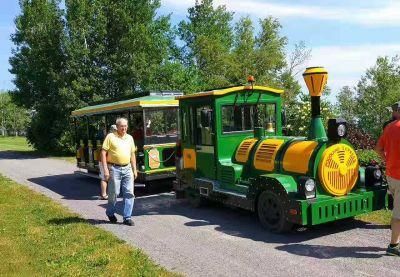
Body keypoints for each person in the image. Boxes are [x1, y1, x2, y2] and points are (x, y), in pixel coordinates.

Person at [101, 118, 138, 226]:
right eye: (122, 126)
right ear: (117, 127)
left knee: (129, 193)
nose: (124, 128)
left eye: (126, 126)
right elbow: (103, 153)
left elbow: (132, 154)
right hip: (114, 168)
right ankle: (110, 212)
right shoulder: (110, 137)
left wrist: (134, 169)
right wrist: (106, 170)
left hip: (127, 169)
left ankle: (127, 217)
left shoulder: (129, 138)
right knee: (114, 193)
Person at [375, 103, 400, 256]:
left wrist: (387, 160)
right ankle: (393, 246)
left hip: (391, 174)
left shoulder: (389, 127)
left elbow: (378, 148)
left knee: (396, 208)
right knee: (398, 214)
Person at [98, 124, 117, 200]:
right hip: (104, 160)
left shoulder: (112, 137)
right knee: (104, 177)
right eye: (115, 130)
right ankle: (104, 195)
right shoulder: (109, 137)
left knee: (111, 178)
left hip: (110, 161)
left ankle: (111, 194)